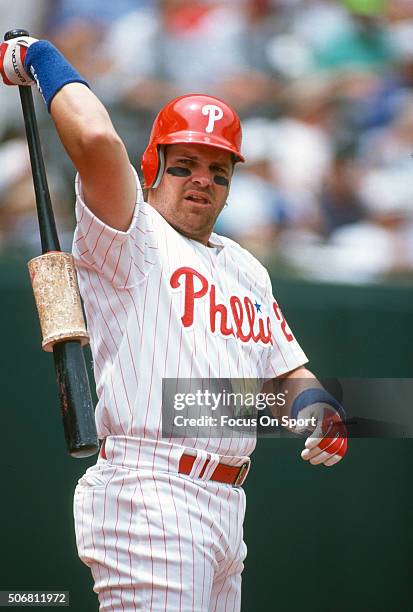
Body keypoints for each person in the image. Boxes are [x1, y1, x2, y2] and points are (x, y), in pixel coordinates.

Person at [0, 35, 347, 611]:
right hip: (149, 491)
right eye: (184, 164)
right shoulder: (131, 231)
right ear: (152, 166)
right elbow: (92, 138)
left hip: (226, 506)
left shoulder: (246, 267)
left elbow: (291, 375)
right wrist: (38, 56)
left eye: (218, 167)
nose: (202, 178)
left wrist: (322, 412)